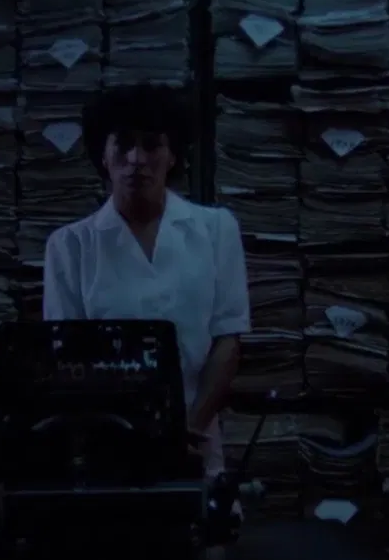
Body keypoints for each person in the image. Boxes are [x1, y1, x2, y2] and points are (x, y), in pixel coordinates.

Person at [41, 84, 251, 479]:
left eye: (152, 145)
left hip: (195, 436)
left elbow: (227, 339)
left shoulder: (216, 229)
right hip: (105, 445)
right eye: (123, 145)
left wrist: (189, 427)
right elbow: (67, 359)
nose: (136, 159)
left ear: (172, 155)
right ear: (103, 154)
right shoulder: (69, 246)